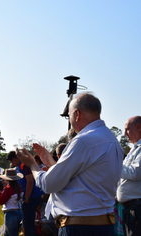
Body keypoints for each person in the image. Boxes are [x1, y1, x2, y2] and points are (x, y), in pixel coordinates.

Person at [16, 92, 124, 236]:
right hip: (104, 225)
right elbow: (83, 180)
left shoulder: (84, 140)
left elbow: (49, 184)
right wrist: (51, 163)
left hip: (79, 227)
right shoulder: (111, 140)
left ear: (77, 114)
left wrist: (32, 166)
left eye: (69, 115)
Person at [7, 151, 44, 236]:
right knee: (28, 223)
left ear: (15, 159)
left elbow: (30, 182)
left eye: (11, 161)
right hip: (30, 197)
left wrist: (26, 198)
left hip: (31, 198)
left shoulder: (24, 166)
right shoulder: (20, 166)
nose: (12, 163)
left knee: (27, 224)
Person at [116, 116, 141, 236]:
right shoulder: (135, 149)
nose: (125, 133)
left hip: (137, 208)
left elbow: (136, 172)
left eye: (127, 129)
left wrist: (114, 165)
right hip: (131, 208)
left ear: (138, 127)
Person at [0, 168, 24, 236]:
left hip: (11, 213)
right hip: (20, 212)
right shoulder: (19, 187)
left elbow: (1, 201)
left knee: (11, 234)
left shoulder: (8, 188)